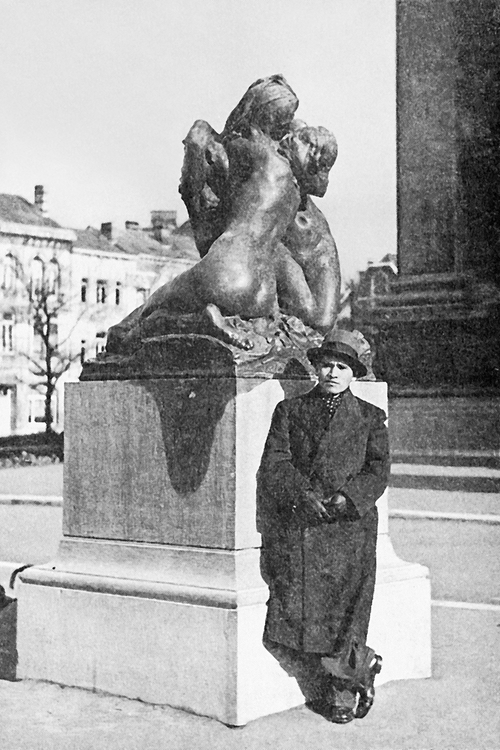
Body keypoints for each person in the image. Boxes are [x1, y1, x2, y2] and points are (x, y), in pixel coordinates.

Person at [256, 329, 390, 723]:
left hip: (350, 529)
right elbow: (276, 462)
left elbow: (378, 469)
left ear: (353, 374)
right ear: (316, 369)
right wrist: (301, 494)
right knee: (296, 613)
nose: (332, 373)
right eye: (327, 365)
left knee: (348, 611)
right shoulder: (290, 410)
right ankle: (359, 669)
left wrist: (349, 497)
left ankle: (344, 690)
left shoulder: (369, 417)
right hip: (305, 525)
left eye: (342, 367)